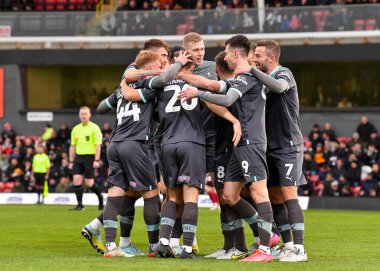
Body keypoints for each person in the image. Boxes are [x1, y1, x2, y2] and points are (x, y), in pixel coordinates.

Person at [179, 34, 274, 262]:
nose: (223, 59)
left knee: (259, 192)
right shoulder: (239, 77)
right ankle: (253, 242)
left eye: (226, 52)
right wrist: (184, 76)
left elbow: (227, 99)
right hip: (238, 145)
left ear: (235, 53)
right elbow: (215, 84)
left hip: (251, 141)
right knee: (229, 195)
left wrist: (198, 93)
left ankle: (266, 248)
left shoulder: (247, 77)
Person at [245, 39, 307, 262]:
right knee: (274, 196)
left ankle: (299, 249)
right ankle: (287, 245)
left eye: (259, 56)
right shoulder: (261, 80)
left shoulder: (284, 74)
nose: (255, 59)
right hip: (269, 145)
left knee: (289, 193)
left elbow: (280, 88)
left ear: (271, 58)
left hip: (288, 145)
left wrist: (251, 69)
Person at [68, 106, 104, 211]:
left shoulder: (95, 128)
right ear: (79, 115)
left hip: (90, 158)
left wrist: (96, 160)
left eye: (85, 114)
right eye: (82, 114)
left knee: (89, 183)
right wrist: (71, 160)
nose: (84, 116)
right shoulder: (76, 129)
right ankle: (80, 205)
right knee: (76, 180)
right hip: (78, 158)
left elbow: (98, 145)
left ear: (89, 115)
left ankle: (100, 198)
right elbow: (72, 146)